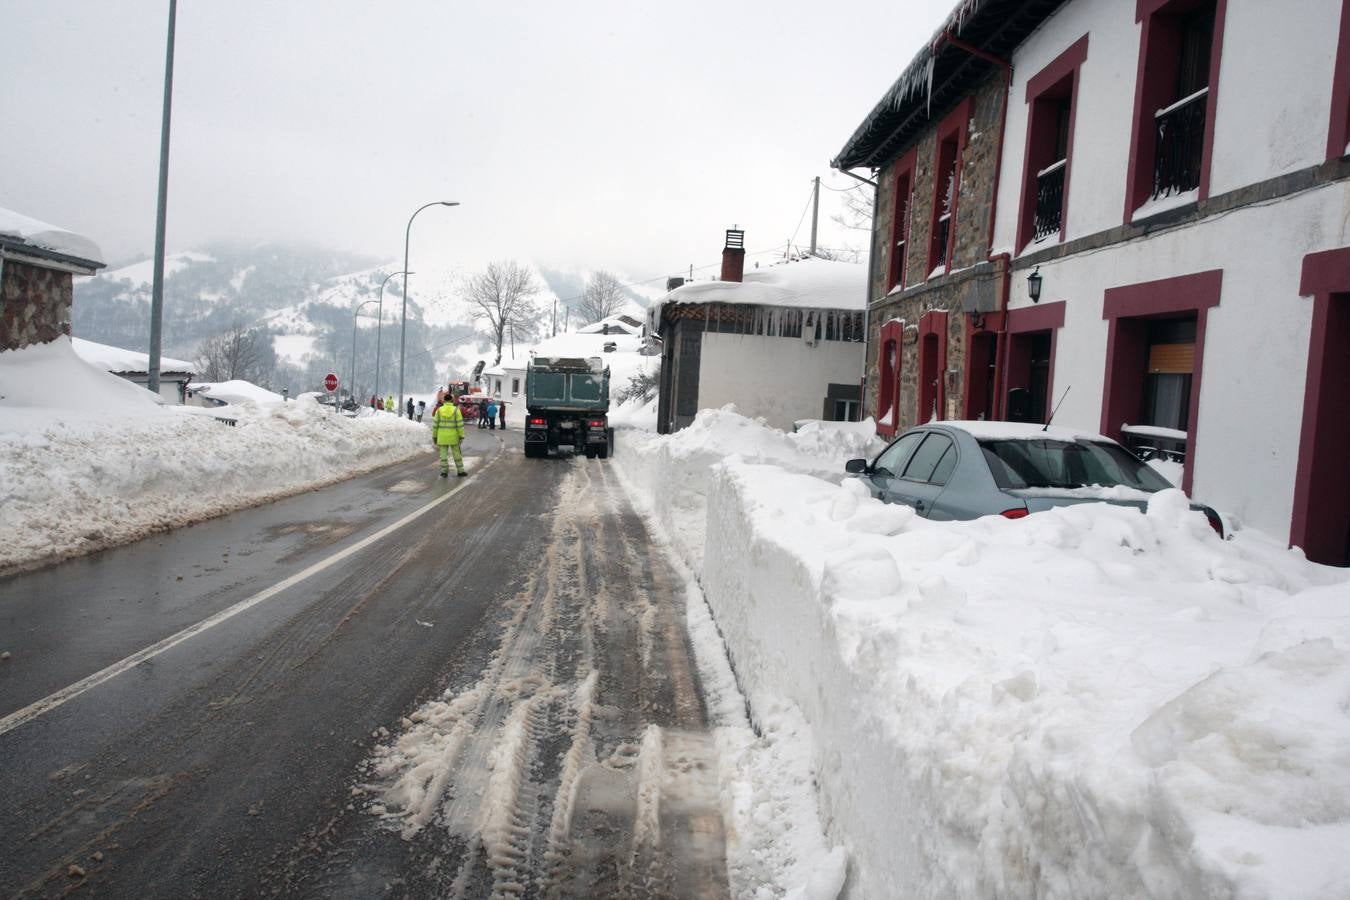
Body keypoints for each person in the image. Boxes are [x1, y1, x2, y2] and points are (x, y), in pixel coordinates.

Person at [432, 394, 467, 478]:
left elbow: (435, 425)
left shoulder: (439, 410)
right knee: (456, 454)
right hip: (453, 437)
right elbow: (460, 425)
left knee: (443, 455)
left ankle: (444, 472)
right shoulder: (456, 410)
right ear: (452, 401)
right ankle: (460, 471)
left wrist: (434, 436)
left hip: (442, 437)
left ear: (444, 400)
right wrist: (461, 435)